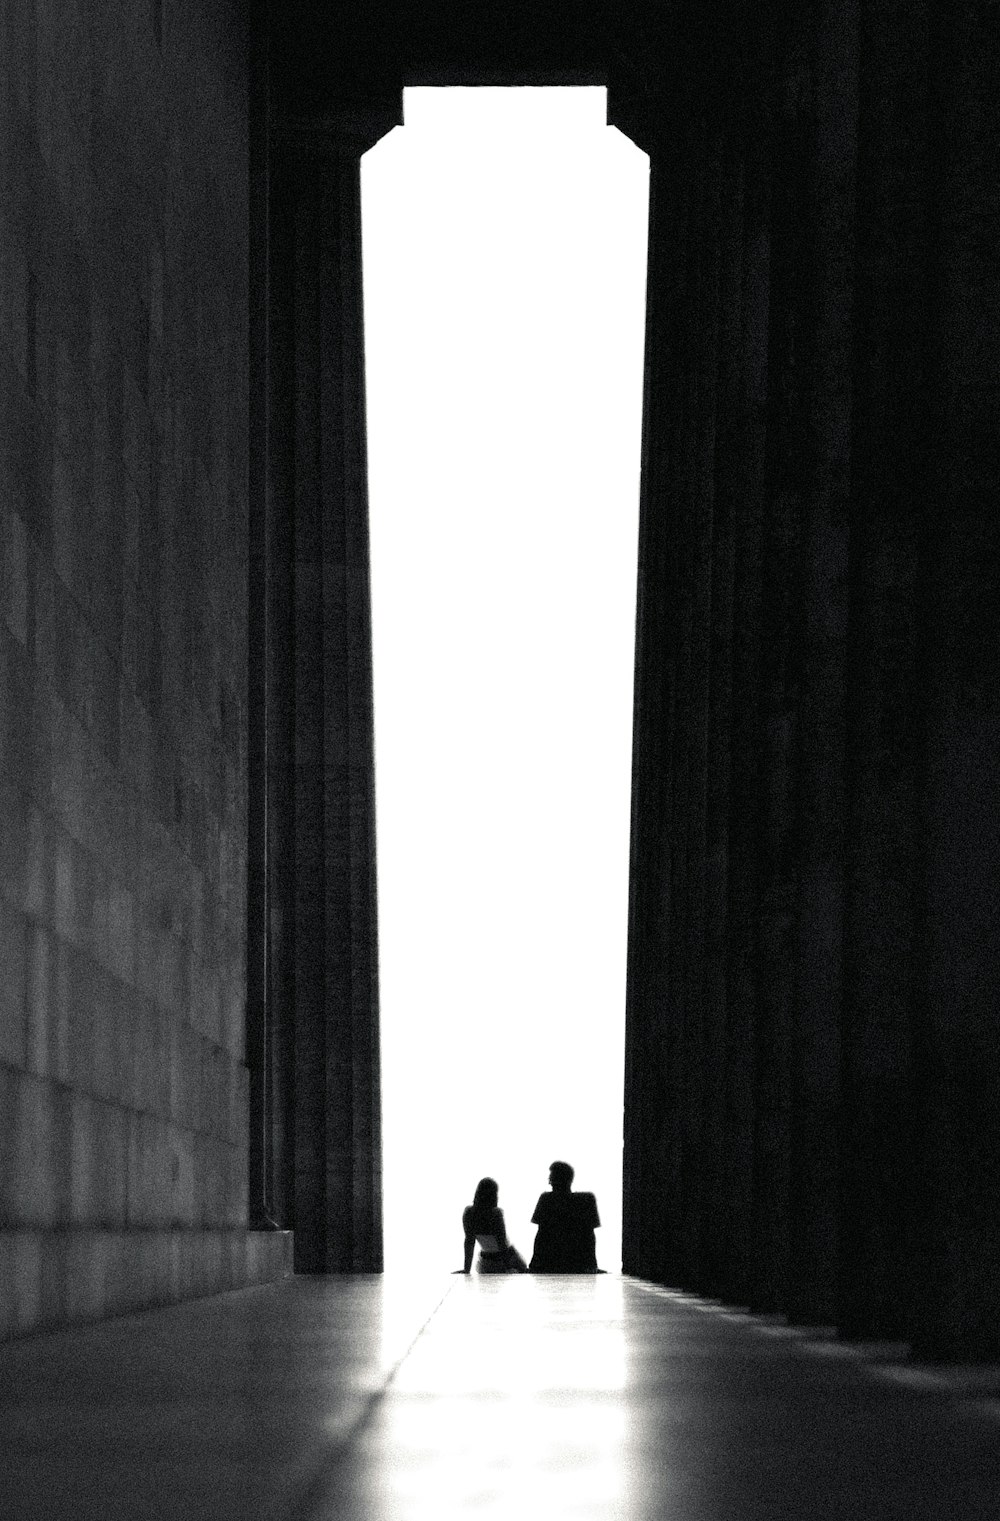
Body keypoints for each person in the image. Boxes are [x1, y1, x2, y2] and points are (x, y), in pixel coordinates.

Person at [528, 1160, 601, 1273]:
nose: (549, 1183)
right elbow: (589, 1236)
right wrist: (591, 1265)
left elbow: (541, 1236)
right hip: (579, 1263)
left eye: (551, 1179)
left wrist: (535, 1264)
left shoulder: (546, 1200)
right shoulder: (587, 1200)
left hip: (549, 1263)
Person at [457, 1177, 528, 1274]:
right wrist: (508, 1266)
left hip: (486, 1261)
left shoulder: (469, 1213)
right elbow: (501, 1242)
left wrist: (466, 1269)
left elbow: (469, 1242)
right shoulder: (496, 1213)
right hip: (507, 1257)